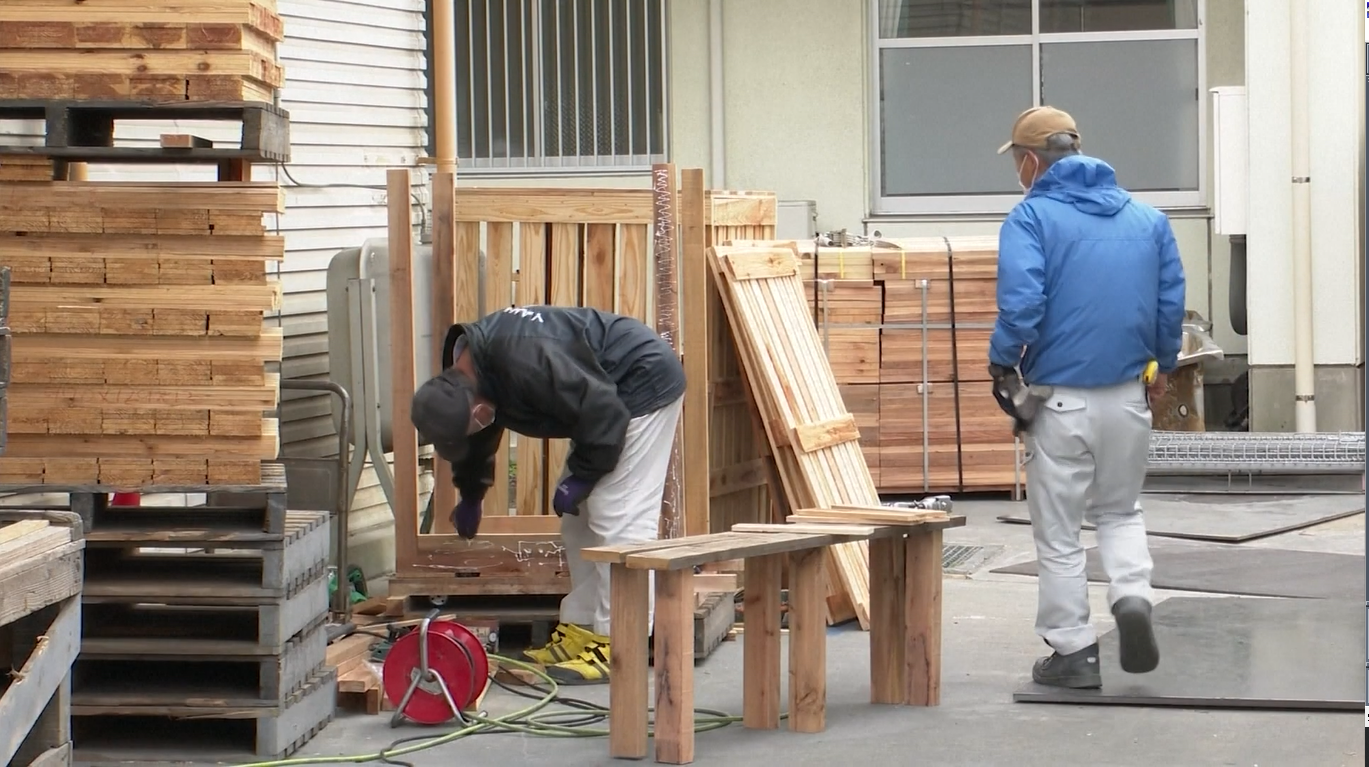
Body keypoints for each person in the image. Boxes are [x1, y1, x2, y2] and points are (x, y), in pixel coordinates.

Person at [988, 106, 1186, 689]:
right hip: (1127, 396)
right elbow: (1168, 306)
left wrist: (1001, 363)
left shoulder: (1031, 218)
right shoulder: (1148, 219)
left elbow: (1022, 306)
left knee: (1059, 533)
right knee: (1121, 511)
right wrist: (1164, 366)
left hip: (1059, 402)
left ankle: (1074, 650)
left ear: (1030, 161)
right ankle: (1132, 596)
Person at [409, 304, 686, 685]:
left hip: (639, 383)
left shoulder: (527, 362)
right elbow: (479, 435)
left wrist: (582, 479)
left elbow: (605, 413)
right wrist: (471, 495)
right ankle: (585, 626)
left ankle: (621, 642)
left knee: (619, 516)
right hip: (599, 399)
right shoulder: (470, 378)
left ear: (476, 406)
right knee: (577, 523)